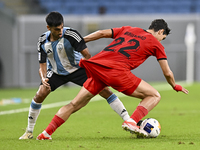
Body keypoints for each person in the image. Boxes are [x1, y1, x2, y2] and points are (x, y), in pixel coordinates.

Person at [36, 19, 189, 140]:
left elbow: (102, 33)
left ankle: (46, 133)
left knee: (74, 104)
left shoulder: (129, 29)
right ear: (161, 31)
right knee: (154, 95)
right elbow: (167, 72)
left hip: (98, 67)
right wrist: (175, 86)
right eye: (162, 38)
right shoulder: (156, 44)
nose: (161, 41)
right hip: (117, 71)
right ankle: (131, 121)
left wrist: (81, 42)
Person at [19, 11, 130, 139]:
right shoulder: (42, 41)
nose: (60, 31)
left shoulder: (71, 35)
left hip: (78, 69)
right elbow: (42, 64)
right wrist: (43, 78)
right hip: (56, 72)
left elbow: (87, 55)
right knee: (40, 94)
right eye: (56, 29)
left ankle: (128, 120)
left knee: (104, 90)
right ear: (48, 28)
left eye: (61, 27)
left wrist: (91, 71)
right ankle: (29, 131)